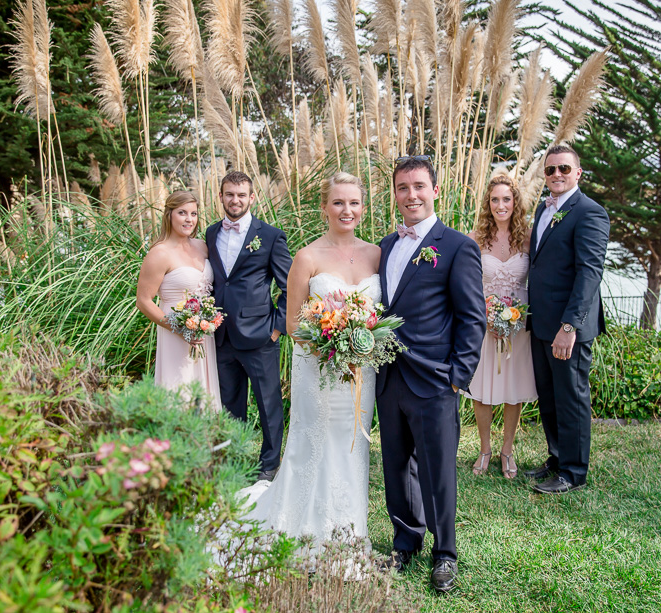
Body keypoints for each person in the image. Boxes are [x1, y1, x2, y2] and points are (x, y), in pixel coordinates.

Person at [236, 172, 380, 542]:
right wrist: (334, 345)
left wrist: (358, 344)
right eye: (338, 202)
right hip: (319, 371)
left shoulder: (377, 254)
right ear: (324, 208)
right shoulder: (307, 256)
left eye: (353, 202)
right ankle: (302, 530)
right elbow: (294, 324)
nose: (346, 210)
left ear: (362, 208)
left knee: (352, 443)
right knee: (316, 444)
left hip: (362, 372)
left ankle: (347, 531)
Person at [376, 156, 485, 593]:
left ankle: (445, 554)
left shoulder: (457, 246)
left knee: (438, 470)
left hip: (436, 379)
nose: (411, 195)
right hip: (389, 376)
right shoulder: (383, 246)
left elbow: (472, 316)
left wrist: (459, 375)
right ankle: (406, 541)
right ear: (396, 194)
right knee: (396, 466)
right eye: (403, 188)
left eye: (419, 186)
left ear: (435, 190)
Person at [525, 144, 609, 494]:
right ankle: (557, 457)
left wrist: (569, 326)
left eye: (563, 169)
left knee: (572, 397)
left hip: (567, 327)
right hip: (541, 323)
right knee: (550, 395)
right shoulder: (544, 212)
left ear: (578, 173)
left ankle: (573, 472)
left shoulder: (589, 212)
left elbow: (589, 273)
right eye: (550, 170)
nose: (556, 175)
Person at [205, 170, 292, 483]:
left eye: (241, 195)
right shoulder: (211, 233)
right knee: (230, 406)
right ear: (221, 196)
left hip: (260, 335)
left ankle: (269, 465)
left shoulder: (269, 236)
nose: (235, 200)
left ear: (252, 197)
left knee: (268, 404)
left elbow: (290, 286)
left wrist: (277, 328)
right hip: (221, 335)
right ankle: (234, 463)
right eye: (229, 194)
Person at [464, 174, 538, 478]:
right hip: (485, 324)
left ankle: (507, 450)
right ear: (488, 204)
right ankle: (484, 449)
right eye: (495, 199)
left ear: (515, 202)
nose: (500, 205)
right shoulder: (475, 238)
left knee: (514, 388)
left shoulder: (529, 238)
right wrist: (484, 314)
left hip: (518, 327)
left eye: (506, 199)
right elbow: (466, 284)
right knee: (482, 388)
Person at [136, 190, 220, 408]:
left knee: (203, 392)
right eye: (182, 213)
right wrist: (179, 328)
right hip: (175, 332)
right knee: (179, 390)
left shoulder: (202, 246)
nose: (189, 219)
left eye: (193, 213)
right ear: (169, 214)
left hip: (202, 333)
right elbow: (143, 301)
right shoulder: (159, 253)